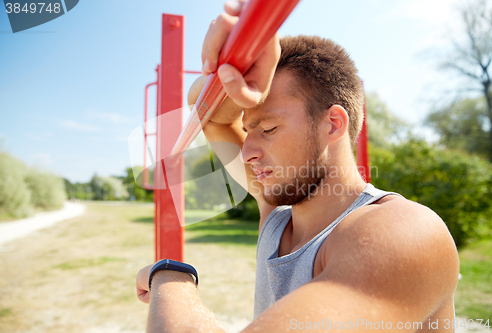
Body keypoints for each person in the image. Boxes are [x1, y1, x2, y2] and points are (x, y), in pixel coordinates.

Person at [136, 1, 459, 331]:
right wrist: (235, 67)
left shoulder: (403, 231)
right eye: (248, 131)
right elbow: (208, 112)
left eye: (269, 129)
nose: (247, 152)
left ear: (332, 124)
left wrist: (171, 277)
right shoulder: (276, 216)